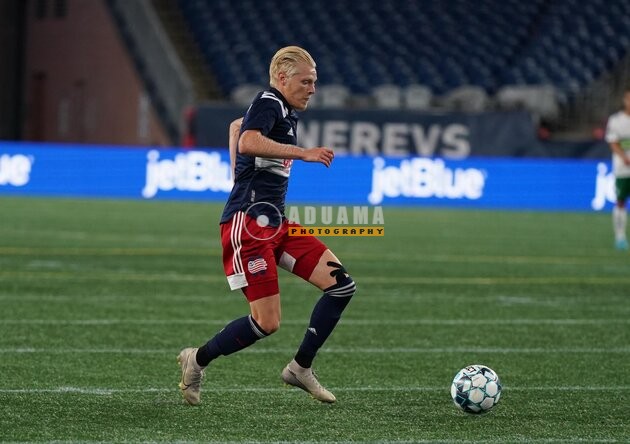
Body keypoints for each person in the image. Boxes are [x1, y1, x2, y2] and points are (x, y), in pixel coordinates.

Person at [177, 46, 356, 405]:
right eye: (306, 81)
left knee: (341, 286)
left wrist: (238, 176)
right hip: (248, 226)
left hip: (276, 222)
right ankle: (196, 359)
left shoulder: (284, 111)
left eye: (314, 82)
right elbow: (247, 140)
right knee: (267, 323)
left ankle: (300, 368)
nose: (313, 89)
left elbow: (236, 128)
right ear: (282, 78)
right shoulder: (269, 101)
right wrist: (303, 153)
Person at [605, 87, 630, 250]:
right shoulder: (616, 120)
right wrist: (625, 158)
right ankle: (620, 237)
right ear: (624, 100)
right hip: (623, 169)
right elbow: (613, 143)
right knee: (620, 201)